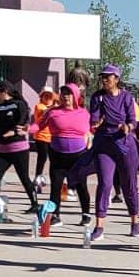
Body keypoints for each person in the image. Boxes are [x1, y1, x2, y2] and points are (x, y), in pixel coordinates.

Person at [68, 64, 139, 242]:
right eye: (103, 76)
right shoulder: (98, 97)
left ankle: (135, 221)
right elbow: (94, 119)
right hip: (104, 145)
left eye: (108, 76)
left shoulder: (126, 96)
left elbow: (133, 120)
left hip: (124, 144)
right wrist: (96, 122)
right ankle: (99, 226)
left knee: (129, 184)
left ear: (116, 78)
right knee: (105, 183)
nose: (104, 79)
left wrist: (127, 127)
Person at [0, 80, 38, 214]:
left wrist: (13, 131)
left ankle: (35, 204)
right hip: (3, 151)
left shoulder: (18, 104)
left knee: (24, 177)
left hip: (19, 149)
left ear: (5, 92)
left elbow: (23, 119)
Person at [44, 85, 92, 224]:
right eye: (63, 94)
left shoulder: (84, 113)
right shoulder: (52, 112)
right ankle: (55, 216)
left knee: (81, 186)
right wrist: (28, 129)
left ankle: (86, 215)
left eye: (69, 94)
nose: (66, 96)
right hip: (57, 156)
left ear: (76, 96)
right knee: (56, 187)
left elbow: (92, 129)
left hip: (78, 156)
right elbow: (39, 125)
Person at [30, 88, 56, 193]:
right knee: (42, 158)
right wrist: (53, 108)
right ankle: (37, 178)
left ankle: (53, 180)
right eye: (45, 95)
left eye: (50, 95)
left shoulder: (55, 107)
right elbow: (43, 115)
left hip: (53, 137)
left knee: (54, 160)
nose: (48, 97)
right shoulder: (39, 106)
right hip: (41, 137)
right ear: (42, 96)